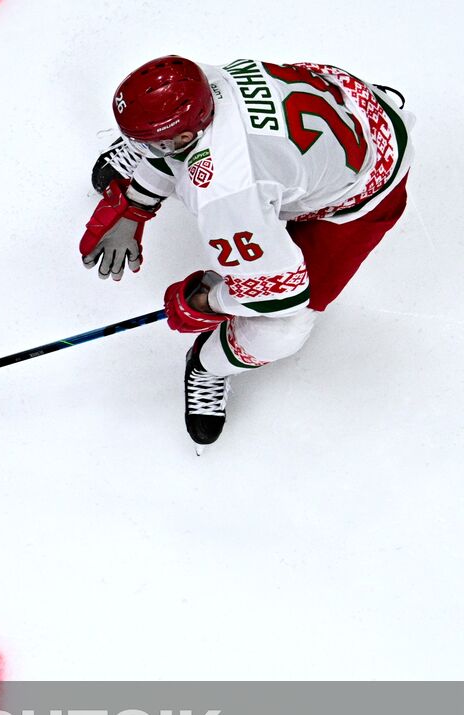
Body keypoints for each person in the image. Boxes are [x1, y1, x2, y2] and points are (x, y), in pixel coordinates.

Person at [79, 56, 413, 447]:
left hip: (360, 196)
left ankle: (207, 366)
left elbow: (277, 295)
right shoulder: (203, 80)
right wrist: (137, 203)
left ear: (185, 137)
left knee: (282, 329)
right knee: (196, 160)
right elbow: (180, 154)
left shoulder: (226, 192)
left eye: (147, 143)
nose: (144, 151)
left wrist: (208, 301)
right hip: (357, 108)